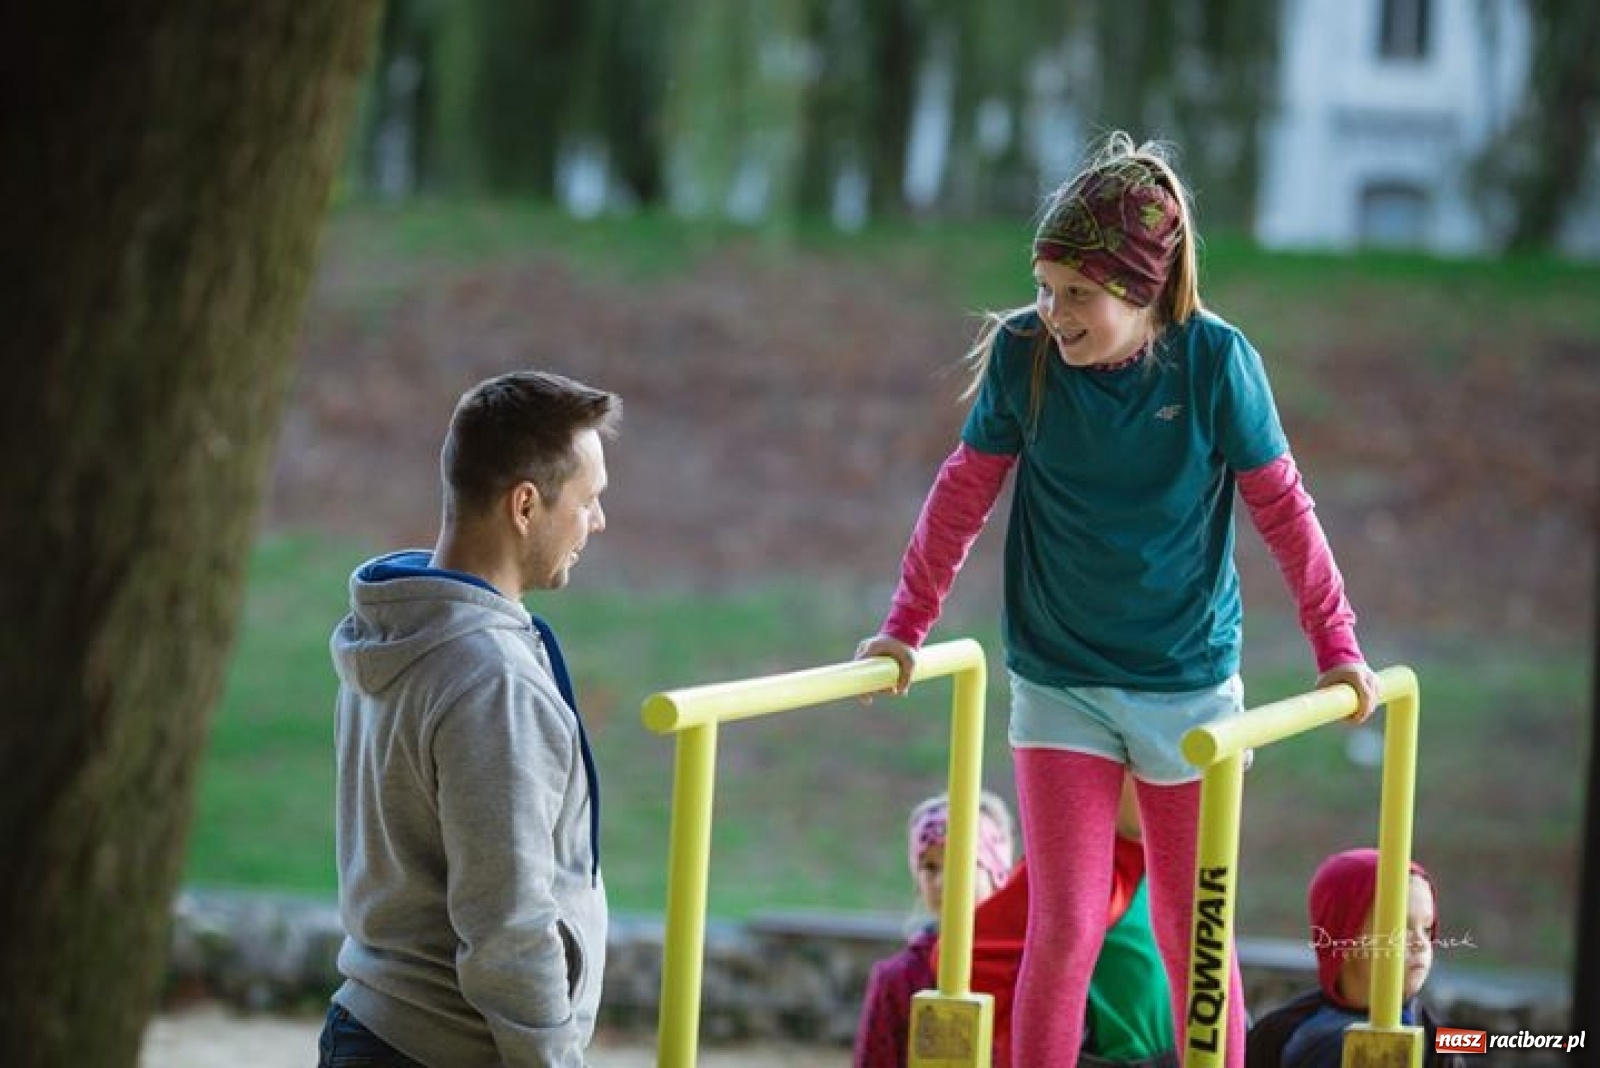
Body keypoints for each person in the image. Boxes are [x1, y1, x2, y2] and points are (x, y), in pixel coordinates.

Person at [854, 130, 1379, 1067]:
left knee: (1195, 939)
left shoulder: (1216, 363)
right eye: (1046, 288)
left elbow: (1283, 511)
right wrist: (905, 625)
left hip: (1187, 694)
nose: (1053, 312)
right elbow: (962, 491)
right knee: (1064, 930)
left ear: (1143, 292)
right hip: (1059, 682)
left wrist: (1335, 643)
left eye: (1078, 296)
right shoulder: (1026, 354)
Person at [317, 370, 621, 1068]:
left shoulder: (395, 625)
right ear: (524, 505)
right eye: (588, 500)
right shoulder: (490, 680)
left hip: (371, 1029)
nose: (597, 522)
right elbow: (509, 922)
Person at [1246, 847, 1464, 1068]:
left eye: (1427, 929)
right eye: (1400, 929)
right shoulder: (1280, 1036)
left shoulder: (1440, 1036)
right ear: (1344, 939)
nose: (1421, 944)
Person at [853, 790, 1016, 1068]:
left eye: (962, 863)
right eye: (929, 866)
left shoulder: (1024, 969)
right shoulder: (897, 979)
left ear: (996, 871)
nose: (942, 882)